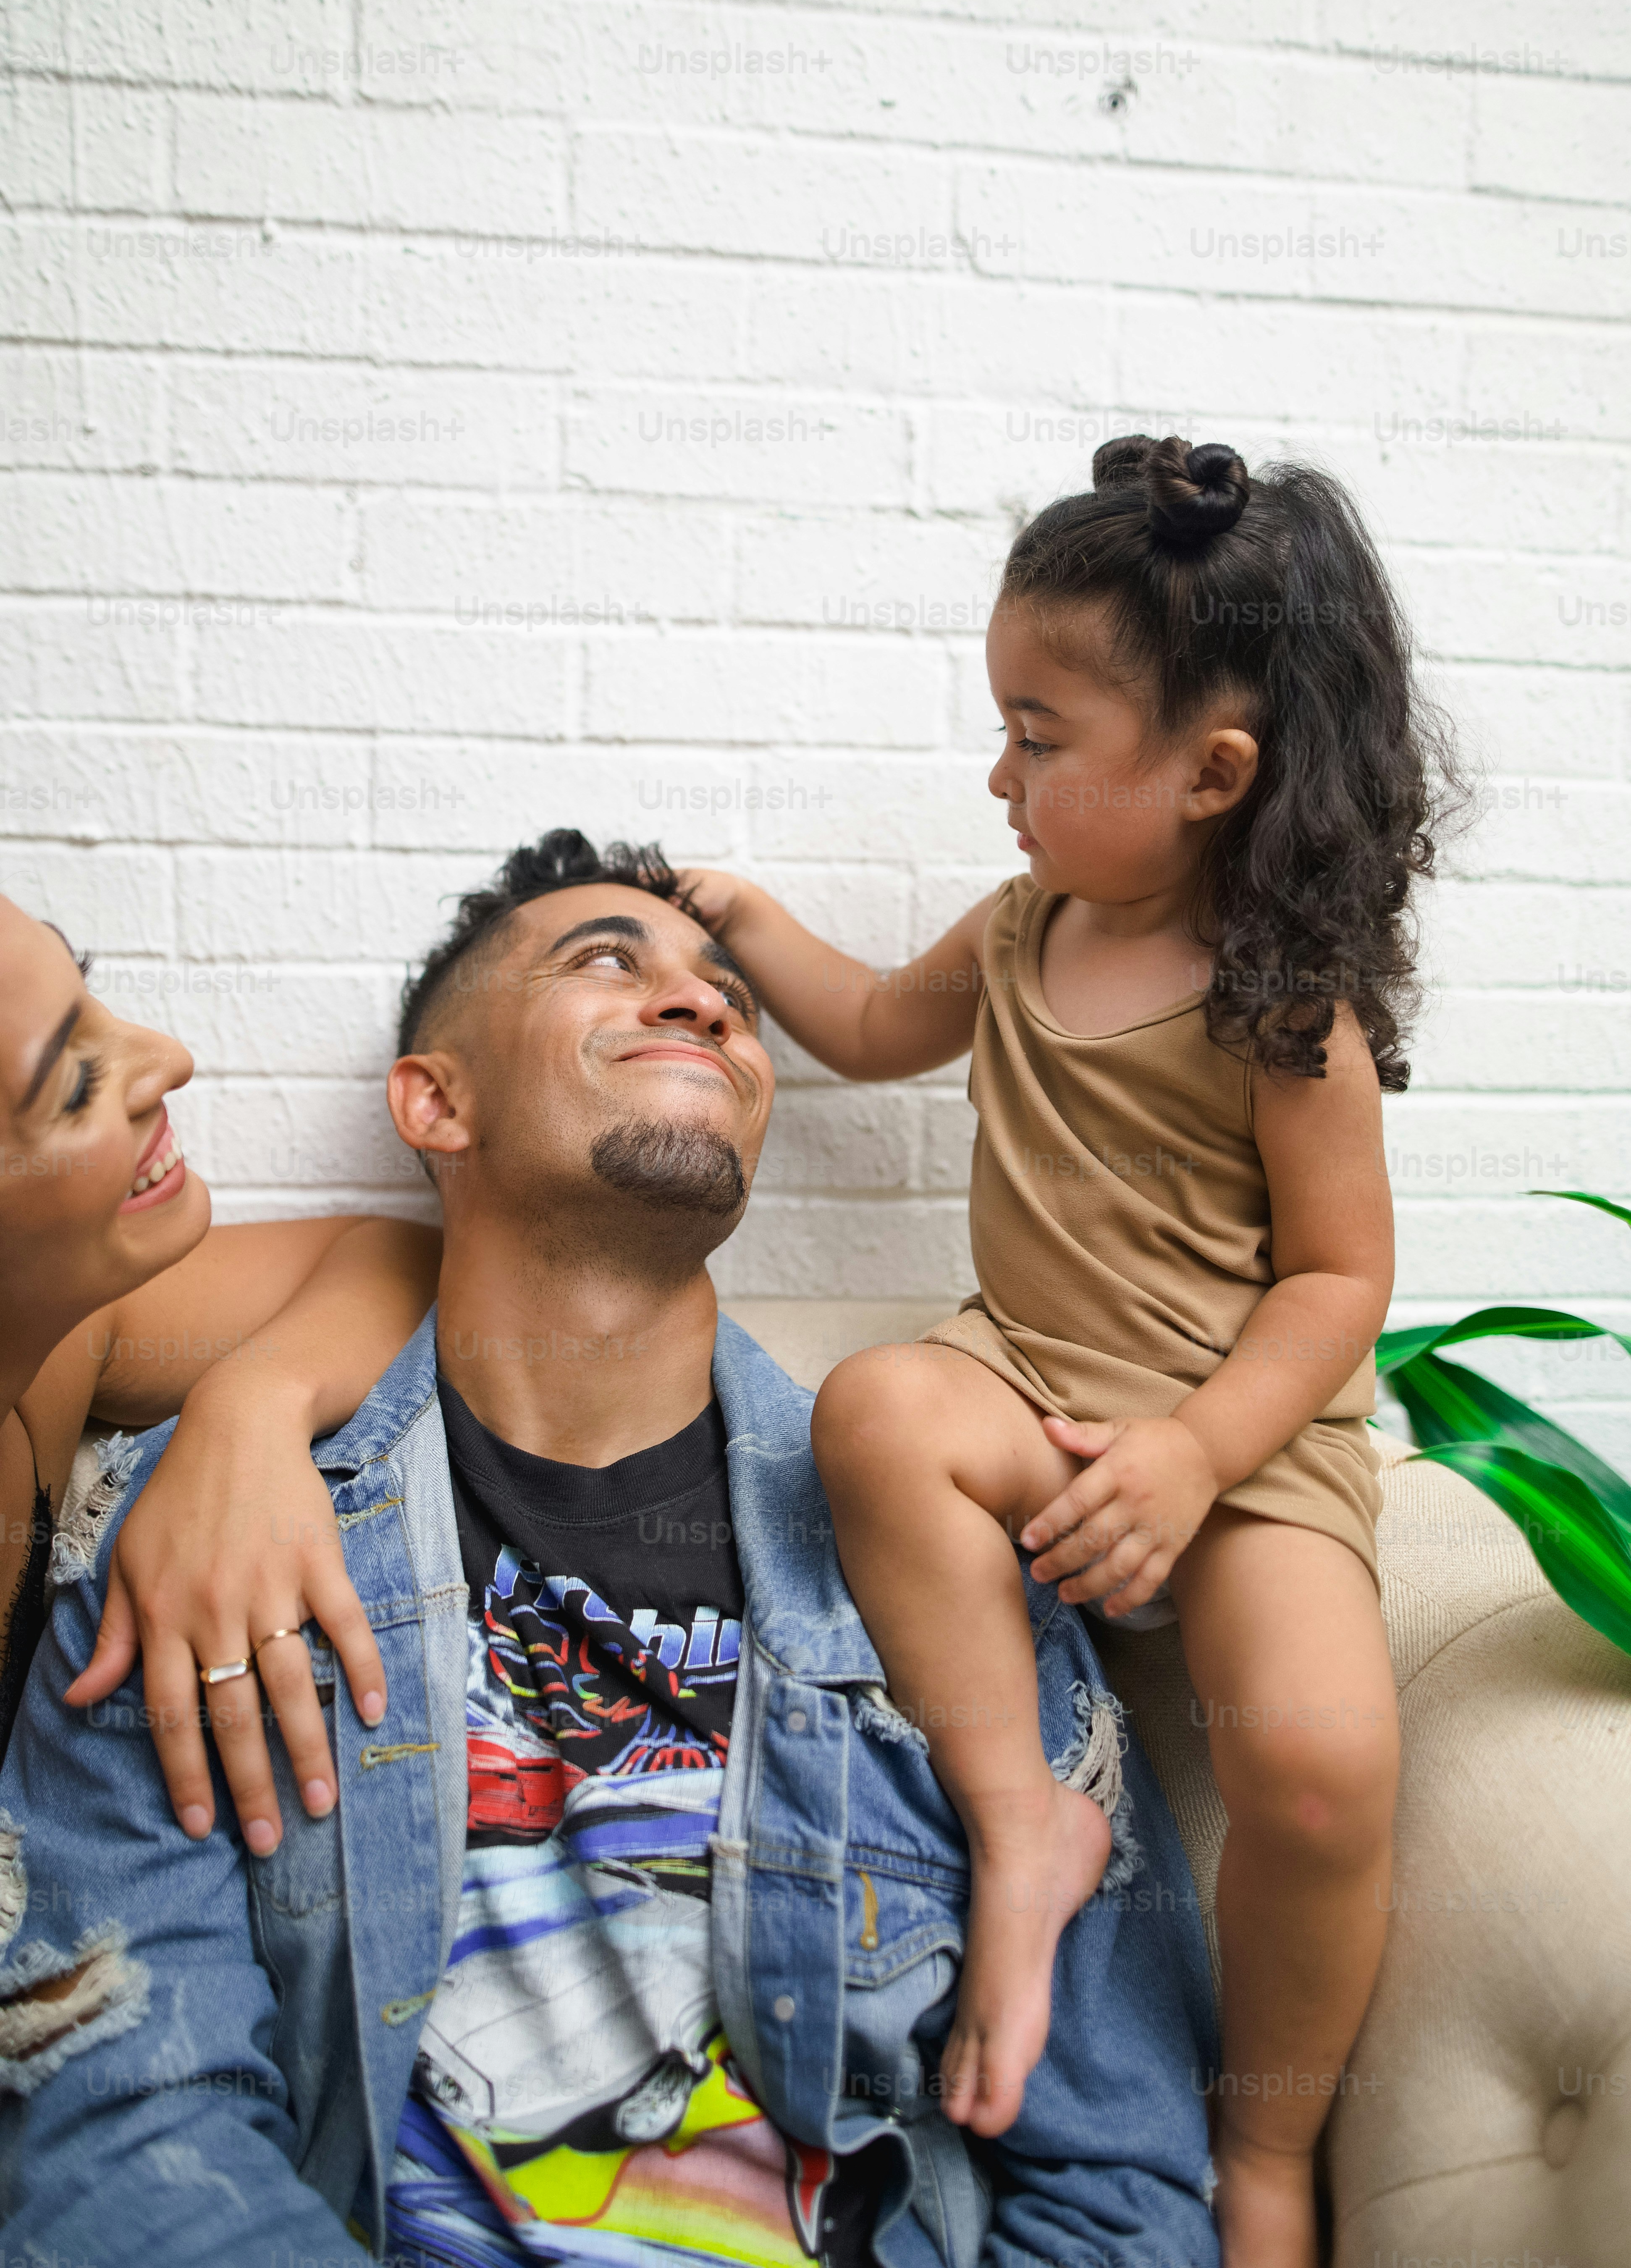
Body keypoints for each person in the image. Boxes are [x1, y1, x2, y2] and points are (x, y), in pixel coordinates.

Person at [0, 831, 1220, 2268]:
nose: (703, 1001)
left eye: (730, 996)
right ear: (435, 1101)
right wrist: (244, 1406)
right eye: (603, 961)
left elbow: (1124, 2186)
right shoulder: (201, 1544)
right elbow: (127, 2119)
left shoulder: (938, 1551)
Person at [680, 437, 1458, 2268]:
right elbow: (875, 1021)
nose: (999, 776)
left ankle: (1262, 2148)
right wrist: (746, 923)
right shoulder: (1023, 928)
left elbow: (1337, 1279)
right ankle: (1023, 1821)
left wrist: (1195, 1452)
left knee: (1323, 1765)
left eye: (1037, 736)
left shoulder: (1285, 1007)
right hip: (1025, 1387)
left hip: (1237, 1452)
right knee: (875, 1408)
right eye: (1001, 729)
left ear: (1211, 773)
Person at [0, 891, 438, 1801]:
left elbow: (402, 1259)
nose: (170, 1057)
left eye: (86, 988)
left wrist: (247, 1414)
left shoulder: (56, 1349)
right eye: (74, 1083)